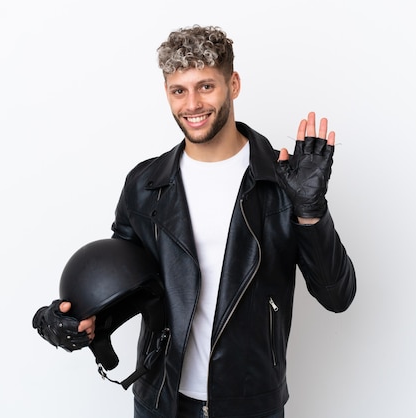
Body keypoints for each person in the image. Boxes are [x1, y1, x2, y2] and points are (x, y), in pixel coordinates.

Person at [34, 25, 356, 418]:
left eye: (206, 86)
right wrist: (81, 319)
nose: (192, 104)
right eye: (179, 90)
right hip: (161, 402)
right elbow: (132, 285)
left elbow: (337, 296)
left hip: (251, 403)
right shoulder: (146, 184)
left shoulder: (283, 179)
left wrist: (310, 211)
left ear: (233, 84)